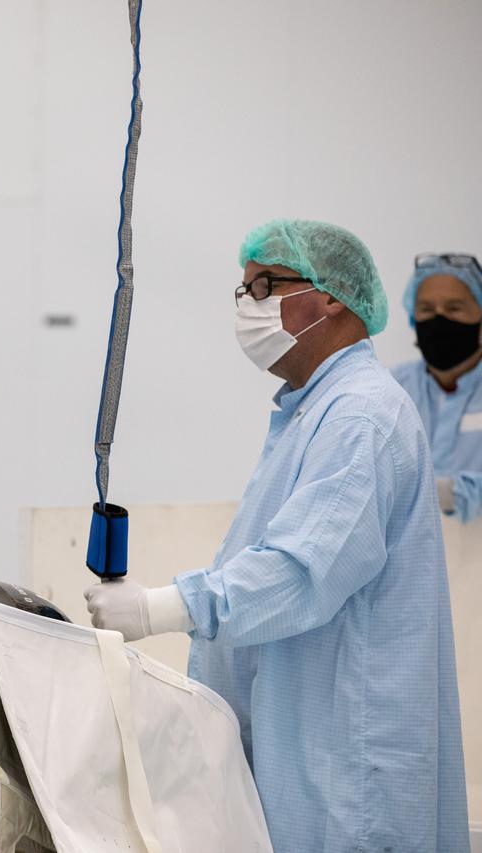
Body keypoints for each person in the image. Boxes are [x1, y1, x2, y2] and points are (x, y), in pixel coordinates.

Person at [84, 220, 468, 852]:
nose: (249, 307)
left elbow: (300, 572)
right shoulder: (311, 413)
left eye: (265, 285)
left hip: (348, 773)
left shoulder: (361, 416)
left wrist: (156, 609)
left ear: (332, 297)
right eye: (243, 292)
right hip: (309, 756)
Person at [390, 253, 482, 521]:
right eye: (427, 310)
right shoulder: (391, 390)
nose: (438, 321)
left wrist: (452, 494)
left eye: (454, 308)